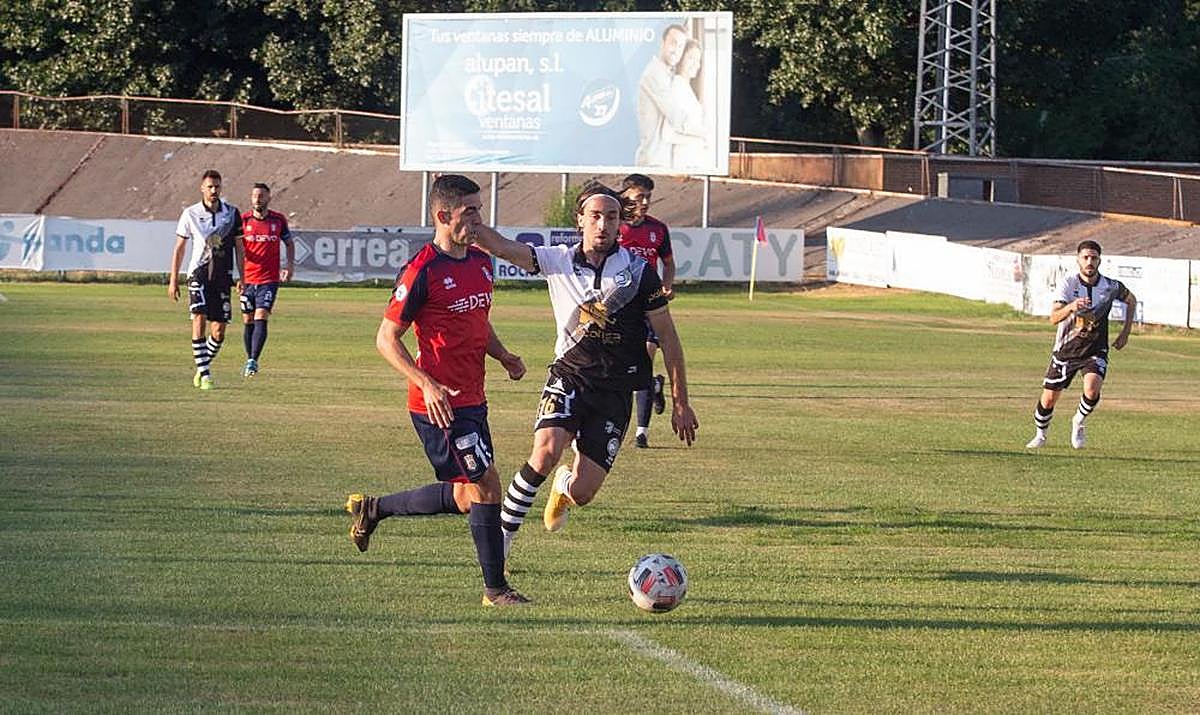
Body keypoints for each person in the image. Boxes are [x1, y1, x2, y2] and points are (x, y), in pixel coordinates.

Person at [471, 182, 699, 560]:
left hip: (615, 391)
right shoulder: (557, 260)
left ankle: (564, 487)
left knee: (583, 493)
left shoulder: (639, 272)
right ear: (580, 220)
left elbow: (669, 339)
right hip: (570, 376)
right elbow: (502, 247)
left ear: (620, 223)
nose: (603, 224)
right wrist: (466, 219)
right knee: (545, 452)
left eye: (611, 217)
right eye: (595, 216)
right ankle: (501, 545)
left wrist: (680, 402)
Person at [344, 174, 531, 607]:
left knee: (467, 496)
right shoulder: (422, 270)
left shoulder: (481, 262)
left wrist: (503, 356)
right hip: (440, 406)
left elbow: (476, 322)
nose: (479, 219)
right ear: (443, 216)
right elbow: (386, 338)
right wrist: (426, 384)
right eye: (470, 212)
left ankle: (375, 508)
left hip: (473, 398)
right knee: (487, 486)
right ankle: (495, 590)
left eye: (480, 210)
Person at [1026, 240, 1136, 450]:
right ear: (1078, 259)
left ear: (1100, 260)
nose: (1089, 262)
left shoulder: (1111, 286)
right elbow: (1054, 318)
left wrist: (1125, 332)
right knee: (1048, 399)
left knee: (1092, 389)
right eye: (1085, 257)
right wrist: (1071, 307)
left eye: (1094, 258)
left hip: (1095, 349)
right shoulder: (1069, 284)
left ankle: (1078, 421)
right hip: (1067, 349)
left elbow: (1131, 300)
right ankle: (1041, 434)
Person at [168, 169, 243, 390]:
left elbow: (240, 248)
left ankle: (202, 365)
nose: (213, 190)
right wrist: (173, 279)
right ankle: (206, 374)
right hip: (198, 273)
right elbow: (179, 248)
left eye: (217, 186)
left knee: (218, 332)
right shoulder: (190, 213)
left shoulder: (232, 214)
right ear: (202, 188)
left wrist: (243, 277)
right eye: (210, 186)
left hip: (222, 276)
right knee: (199, 318)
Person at [618, 174, 675, 448]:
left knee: (644, 360)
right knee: (624, 367)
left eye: (648, 197)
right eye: (639, 196)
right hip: (621, 306)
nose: (644, 202)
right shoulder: (614, 226)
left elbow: (669, 264)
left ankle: (641, 432)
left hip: (649, 304)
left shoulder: (658, 229)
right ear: (625, 196)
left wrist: (666, 286)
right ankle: (653, 385)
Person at [238, 183, 294, 377]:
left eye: (261, 195)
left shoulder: (278, 220)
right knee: (248, 319)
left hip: (269, 279)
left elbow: (289, 243)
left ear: (269, 198)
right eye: (255, 195)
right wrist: (238, 276)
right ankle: (249, 358)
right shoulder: (243, 220)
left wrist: (289, 266)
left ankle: (253, 360)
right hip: (248, 279)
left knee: (261, 315)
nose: (258, 199)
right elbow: (236, 249)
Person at [634, 24, 689, 168]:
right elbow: (676, 117)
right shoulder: (654, 74)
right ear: (662, 43)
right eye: (673, 43)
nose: (676, 50)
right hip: (653, 162)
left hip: (661, 161)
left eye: (681, 46)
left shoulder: (668, 75)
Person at [663, 40, 708, 170]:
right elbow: (668, 133)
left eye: (698, 60)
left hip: (694, 161)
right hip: (683, 163)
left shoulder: (686, 88)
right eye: (691, 58)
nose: (696, 65)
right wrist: (700, 136)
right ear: (680, 59)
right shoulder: (676, 87)